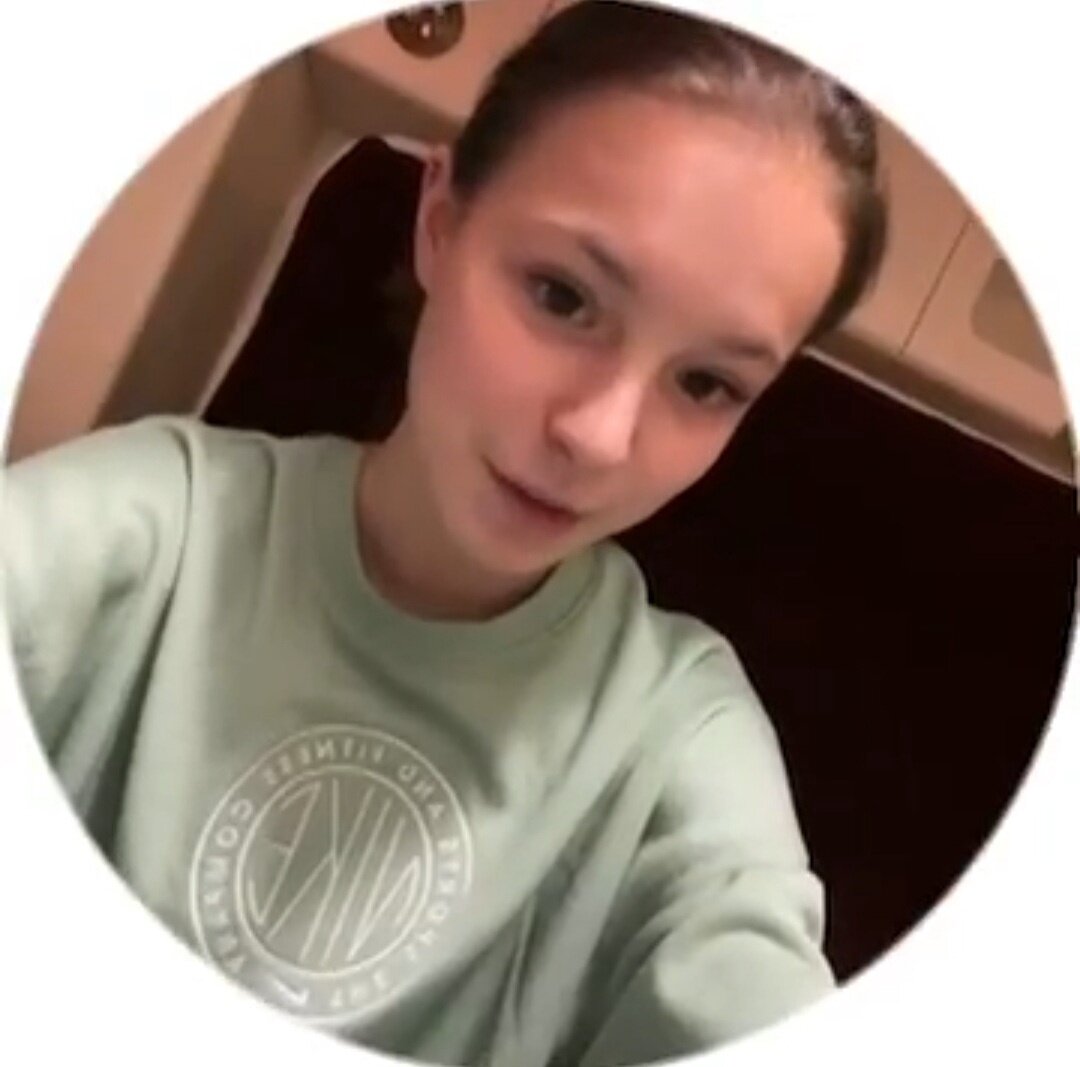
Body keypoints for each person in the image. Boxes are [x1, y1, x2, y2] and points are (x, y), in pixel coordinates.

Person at [2, 2, 886, 1064]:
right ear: (440, 219)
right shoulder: (147, 533)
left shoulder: (674, 738)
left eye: (706, 383)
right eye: (562, 295)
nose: (599, 436)